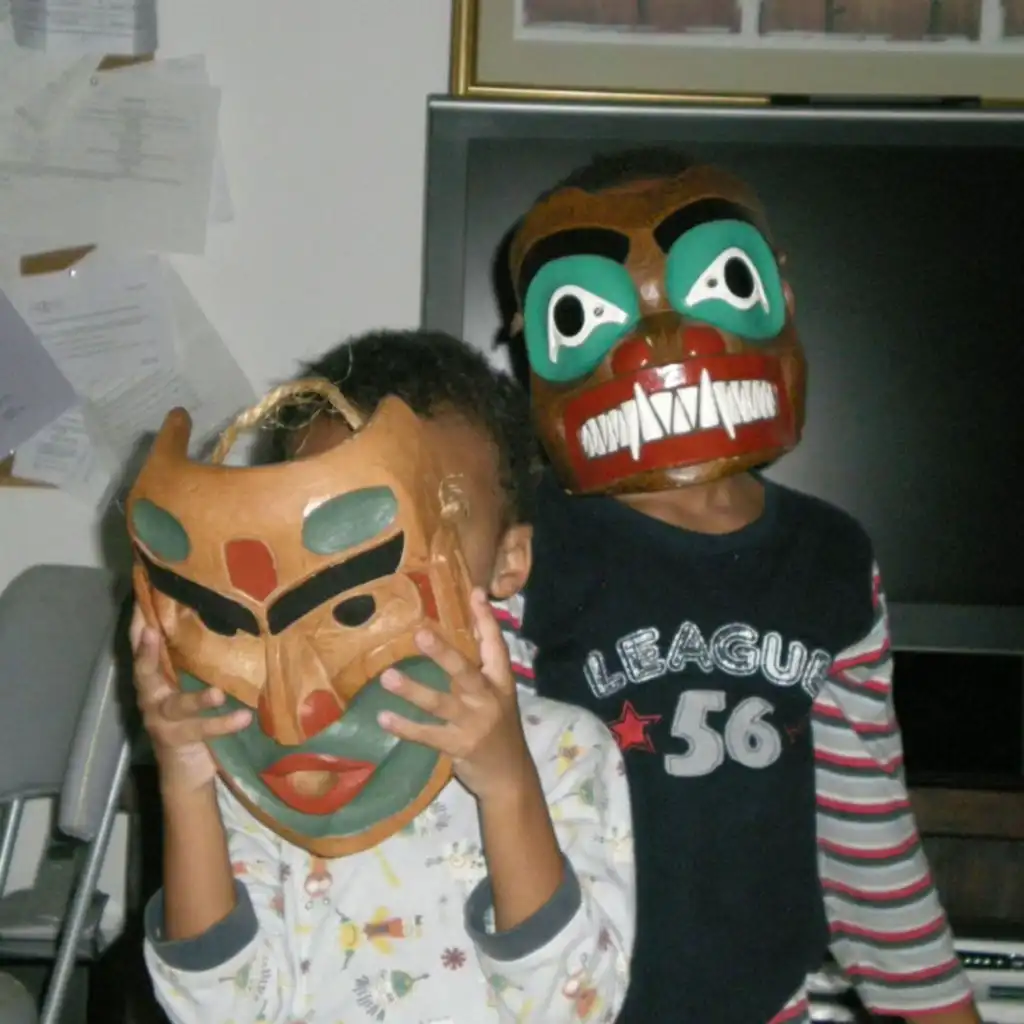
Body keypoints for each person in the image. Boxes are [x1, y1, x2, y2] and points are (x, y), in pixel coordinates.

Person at [501, 148, 981, 1023]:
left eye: (717, 284)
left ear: (779, 293)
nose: (664, 342)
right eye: (583, 315)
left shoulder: (830, 560)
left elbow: (865, 832)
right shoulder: (521, 556)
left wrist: (940, 1007)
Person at [131, 328, 635, 1023]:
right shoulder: (262, 753)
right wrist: (186, 782)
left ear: (509, 560)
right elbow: (220, 1008)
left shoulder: (565, 752)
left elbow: (576, 1005)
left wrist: (508, 784)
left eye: (430, 523)